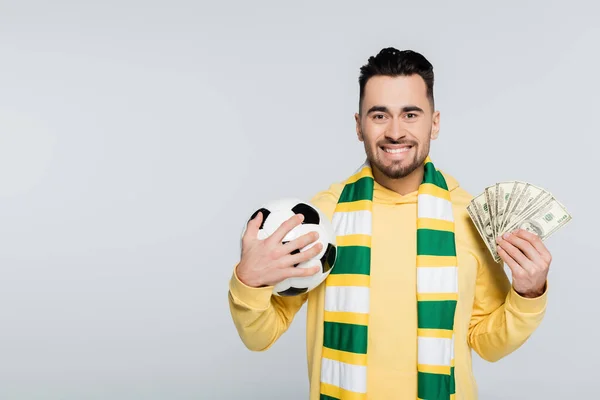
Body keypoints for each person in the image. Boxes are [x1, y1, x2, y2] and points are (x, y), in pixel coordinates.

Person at [228, 47, 550, 400]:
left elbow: (486, 343)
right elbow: (261, 336)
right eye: (379, 116)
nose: (395, 132)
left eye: (410, 114)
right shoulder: (322, 218)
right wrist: (249, 281)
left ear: (435, 122)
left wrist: (529, 294)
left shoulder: (470, 217)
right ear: (358, 125)